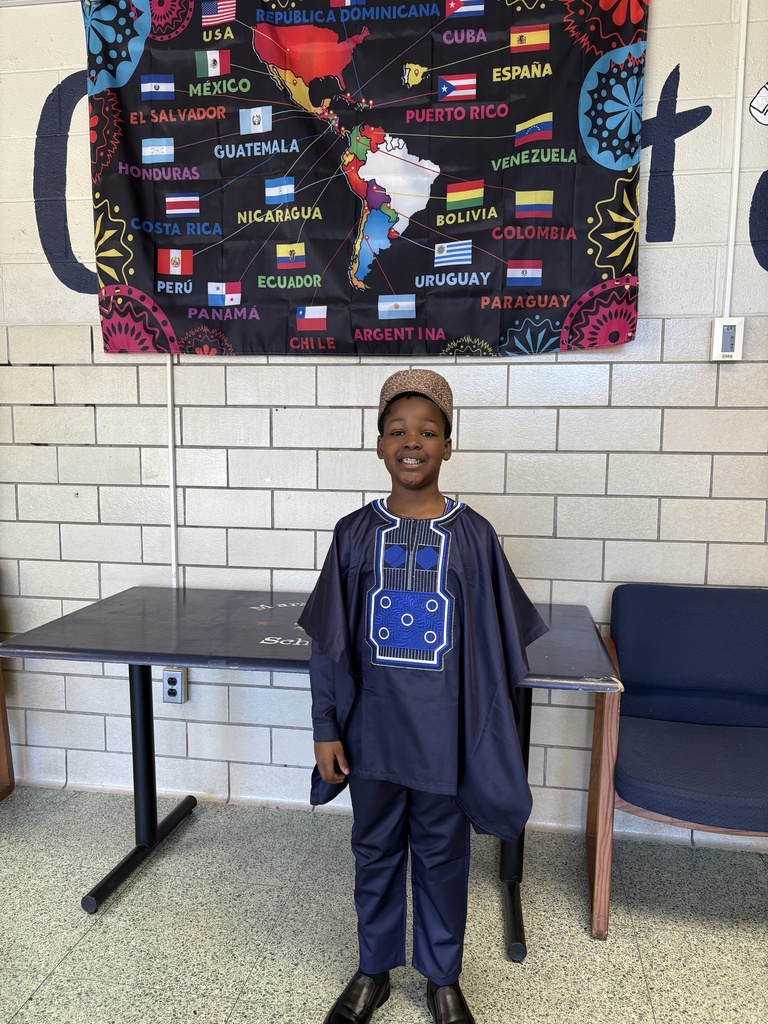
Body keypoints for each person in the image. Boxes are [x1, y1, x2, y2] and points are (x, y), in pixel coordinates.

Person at [298, 369, 547, 1024]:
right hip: (370, 736)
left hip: (444, 739)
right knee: (374, 848)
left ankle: (441, 977)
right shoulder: (352, 533)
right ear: (379, 444)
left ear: (448, 445)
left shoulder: (475, 537)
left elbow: (494, 650)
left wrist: (481, 740)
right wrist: (327, 727)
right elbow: (328, 643)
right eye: (398, 431)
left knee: (443, 857)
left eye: (428, 431)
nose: (413, 442)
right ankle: (373, 971)